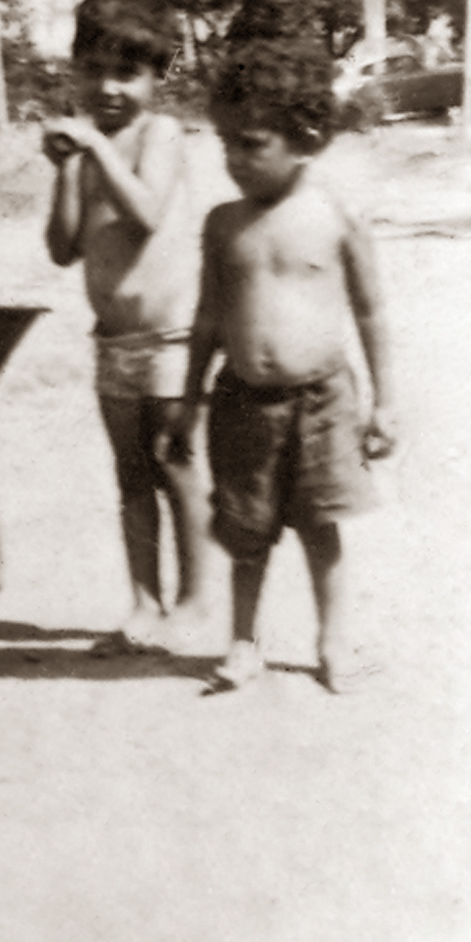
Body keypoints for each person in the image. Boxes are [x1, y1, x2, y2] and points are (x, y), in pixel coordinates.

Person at [168, 39, 395, 693]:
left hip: (322, 401)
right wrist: (187, 402)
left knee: (321, 527)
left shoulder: (336, 215)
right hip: (242, 401)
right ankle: (243, 643)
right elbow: (207, 319)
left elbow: (372, 312)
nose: (233, 159)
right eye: (226, 143)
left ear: (306, 140)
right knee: (247, 530)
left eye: (252, 144)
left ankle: (333, 643)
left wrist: (385, 403)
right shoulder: (222, 224)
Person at [42, 0, 210, 653]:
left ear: (156, 76)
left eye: (127, 73)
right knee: (130, 474)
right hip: (113, 340)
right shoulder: (89, 151)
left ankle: (194, 600)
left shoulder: (158, 134)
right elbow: (62, 249)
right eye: (94, 71)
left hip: (171, 338)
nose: (108, 88)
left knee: (176, 465)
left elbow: (144, 213)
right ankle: (144, 601)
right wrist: (64, 170)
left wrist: (92, 146)